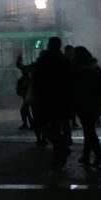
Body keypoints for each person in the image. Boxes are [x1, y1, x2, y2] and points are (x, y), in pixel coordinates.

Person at [32, 39, 73, 167]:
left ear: (49, 45)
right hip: (61, 99)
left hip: (45, 98)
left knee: (42, 125)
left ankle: (60, 148)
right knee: (57, 126)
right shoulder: (63, 60)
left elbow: (37, 78)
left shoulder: (44, 59)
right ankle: (58, 156)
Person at [72, 46, 101, 170]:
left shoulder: (77, 70)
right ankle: (86, 155)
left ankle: (98, 156)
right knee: (88, 129)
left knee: (89, 130)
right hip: (95, 103)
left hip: (83, 104)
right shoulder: (95, 69)